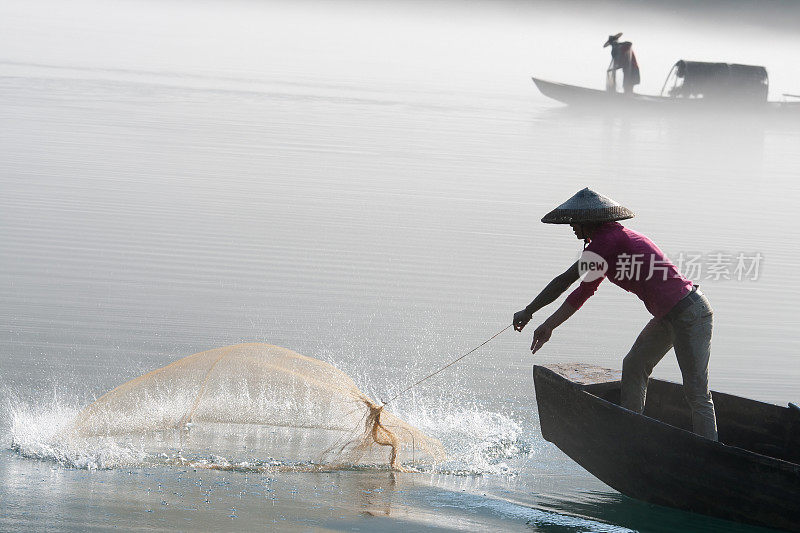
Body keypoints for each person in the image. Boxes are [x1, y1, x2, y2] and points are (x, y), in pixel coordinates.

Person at [513, 188, 718, 441]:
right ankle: (631, 432)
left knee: (697, 392)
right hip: (668, 316)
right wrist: (549, 325)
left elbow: (565, 281)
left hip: (690, 312)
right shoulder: (605, 246)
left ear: (589, 222)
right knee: (634, 365)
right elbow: (583, 292)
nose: (572, 228)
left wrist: (529, 311)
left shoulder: (608, 240)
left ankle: (709, 448)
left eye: (575, 223)